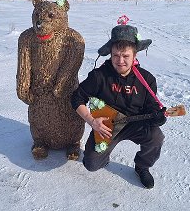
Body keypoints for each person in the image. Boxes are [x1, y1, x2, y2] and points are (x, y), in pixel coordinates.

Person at [71, 23, 167, 189]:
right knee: (91, 164)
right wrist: (92, 121)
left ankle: (142, 166)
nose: (120, 61)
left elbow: (151, 107)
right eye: (115, 55)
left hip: (135, 124)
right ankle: (104, 157)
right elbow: (76, 98)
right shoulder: (99, 76)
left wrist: (156, 117)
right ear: (110, 54)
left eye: (125, 56)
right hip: (107, 127)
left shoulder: (147, 79)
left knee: (156, 136)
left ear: (134, 55)